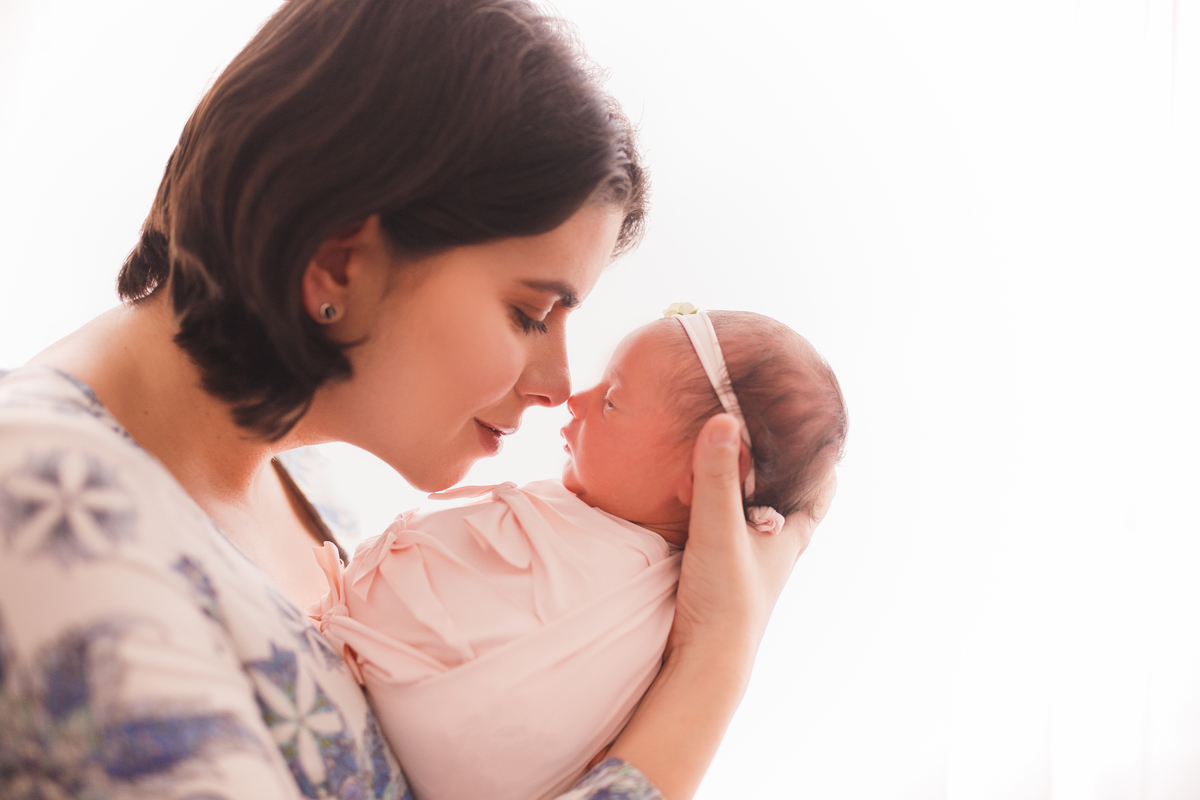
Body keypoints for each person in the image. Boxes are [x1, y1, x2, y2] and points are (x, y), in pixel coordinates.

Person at [0, 1, 834, 799]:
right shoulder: (46, 516)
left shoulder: (280, 480)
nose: (555, 387)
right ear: (338, 264)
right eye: (528, 314)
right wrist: (715, 662)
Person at [307, 309, 847, 800]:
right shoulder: (588, 529)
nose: (575, 398)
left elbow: (479, 742)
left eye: (611, 401)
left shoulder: (633, 594)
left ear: (705, 472)